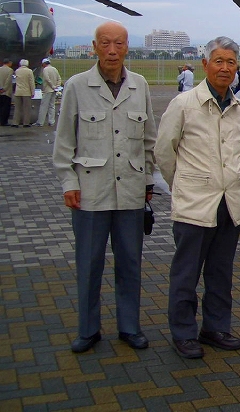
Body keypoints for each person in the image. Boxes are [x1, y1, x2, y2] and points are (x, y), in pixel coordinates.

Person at [53, 21, 156, 353]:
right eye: (106, 43)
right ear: (94, 46)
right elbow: (64, 143)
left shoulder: (139, 85)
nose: (113, 50)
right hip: (90, 192)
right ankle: (88, 330)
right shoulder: (77, 86)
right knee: (89, 264)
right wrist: (69, 182)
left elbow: (149, 141)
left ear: (127, 47)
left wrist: (148, 180)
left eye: (119, 44)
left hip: (130, 192)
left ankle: (130, 327)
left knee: (130, 264)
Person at [155, 37, 240, 359]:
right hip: (194, 205)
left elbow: (235, 152)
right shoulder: (184, 104)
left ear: (237, 68)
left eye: (231, 62)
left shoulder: (239, 109)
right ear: (205, 65)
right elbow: (164, 152)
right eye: (218, 61)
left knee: (220, 272)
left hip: (230, 204)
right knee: (186, 273)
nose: (225, 68)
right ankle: (183, 332)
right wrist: (183, 186)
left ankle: (215, 327)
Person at [34, 58, 62, 126]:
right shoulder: (54, 69)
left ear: (44, 64)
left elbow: (47, 79)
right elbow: (59, 78)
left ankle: (40, 122)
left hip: (48, 89)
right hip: (54, 90)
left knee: (43, 106)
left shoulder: (45, 69)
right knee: (52, 105)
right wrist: (57, 86)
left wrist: (52, 86)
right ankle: (51, 121)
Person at [11, 59, 35, 127]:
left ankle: (15, 123)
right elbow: (31, 82)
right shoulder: (29, 71)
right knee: (26, 108)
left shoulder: (17, 71)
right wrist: (33, 92)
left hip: (18, 91)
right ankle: (26, 123)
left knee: (17, 108)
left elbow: (14, 80)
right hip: (26, 92)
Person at [0, 58, 12, 126]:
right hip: (6, 92)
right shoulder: (10, 70)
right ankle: (4, 121)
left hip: (0, 91)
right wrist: (4, 89)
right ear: (9, 63)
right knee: (6, 107)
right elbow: (8, 81)